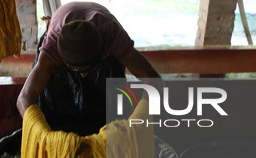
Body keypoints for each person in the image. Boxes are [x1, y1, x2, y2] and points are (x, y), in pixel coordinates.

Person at [17, 1, 161, 131]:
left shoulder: (114, 38)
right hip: (61, 33)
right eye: (78, 71)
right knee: (52, 103)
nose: (83, 76)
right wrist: (40, 131)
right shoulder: (52, 47)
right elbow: (24, 98)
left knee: (111, 107)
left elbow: (154, 80)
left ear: (103, 53)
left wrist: (138, 120)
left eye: (89, 69)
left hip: (103, 35)